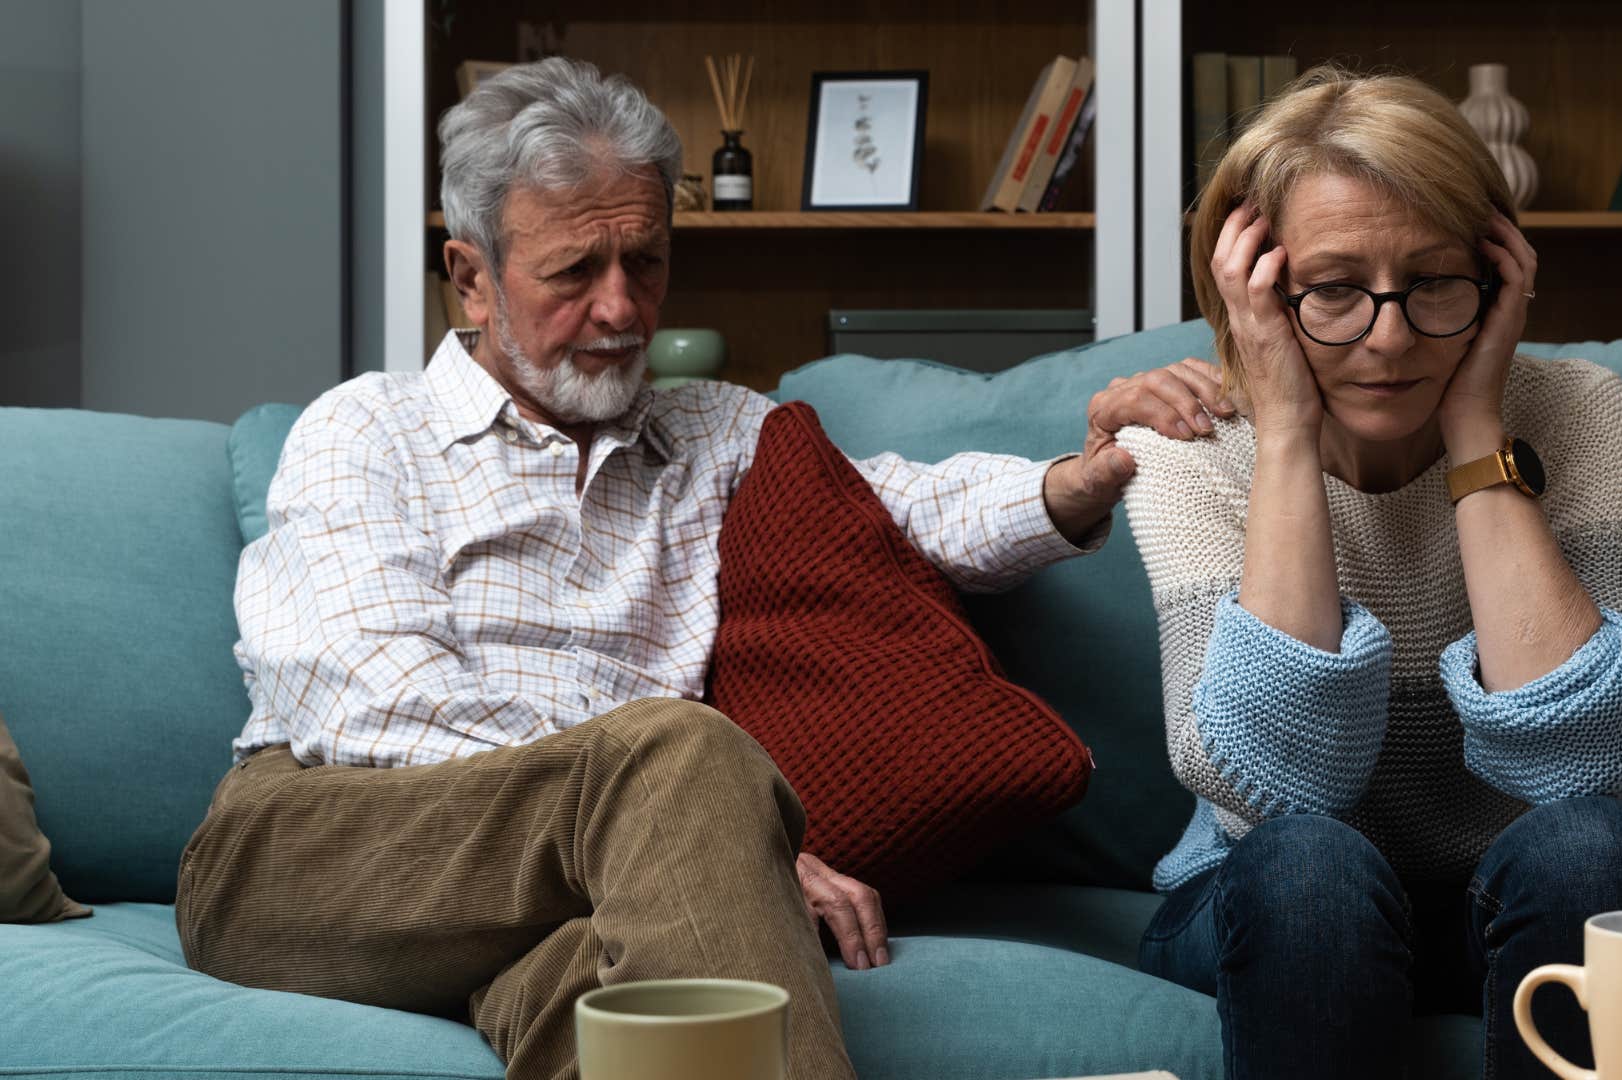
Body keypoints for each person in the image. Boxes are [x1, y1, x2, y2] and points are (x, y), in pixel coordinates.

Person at [172, 57, 1229, 1080]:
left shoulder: (717, 433)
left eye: (647, 260)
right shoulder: (368, 428)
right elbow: (375, 704)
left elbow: (908, 507)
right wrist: (719, 838)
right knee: (686, 757)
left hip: (590, 885)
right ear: (472, 279)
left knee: (621, 1005)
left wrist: (1081, 480)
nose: (624, 309)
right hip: (319, 846)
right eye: (576, 272)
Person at [1118, 66, 1622, 1080]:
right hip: (1271, 899)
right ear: (1252, 285)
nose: (1389, 337)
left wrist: (1476, 428)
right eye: (1335, 290)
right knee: (1309, 865)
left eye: (1433, 282)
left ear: (1496, 275)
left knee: (1591, 845)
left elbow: (1586, 760)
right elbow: (1274, 783)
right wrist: (1287, 433)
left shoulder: (1585, 413)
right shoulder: (1185, 451)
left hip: (1506, 901)